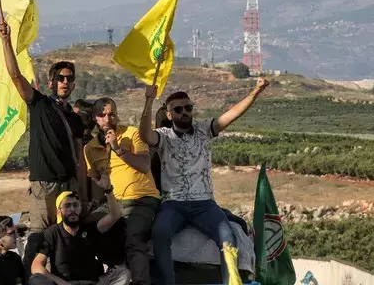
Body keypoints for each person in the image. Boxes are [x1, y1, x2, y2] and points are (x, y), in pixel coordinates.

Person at [139, 78, 270, 285]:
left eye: (188, 108)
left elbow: (232, 115)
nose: (185, 112)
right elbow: (145, 135)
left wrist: (256, 91)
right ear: (169, 114)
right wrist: (148, 101)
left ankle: (232, 282)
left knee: (228, 237)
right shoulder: (164, 136)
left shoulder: (204, 130)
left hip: (204, 204)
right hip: (174, 204)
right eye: (179, 109)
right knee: (160, 234)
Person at [0, 21, 86, 272]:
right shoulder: (39, 104)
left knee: (66, 240)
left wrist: (81, 191)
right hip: (44, 185)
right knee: (38, 238)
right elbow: (15, 76)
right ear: (51, 83)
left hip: (68, 185)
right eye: (60, 78)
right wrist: (6, 41)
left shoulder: (75, 119)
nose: (65, 82)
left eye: (70, 78)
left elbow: (80, 158)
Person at [84, 97, 160, 285]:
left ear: (117, 116)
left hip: (141, 199)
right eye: (102, 115)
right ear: (95, 118)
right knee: (87, 229)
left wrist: (118, 149)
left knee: (133, 238)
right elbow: (96, 179)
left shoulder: (132, 134)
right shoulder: (90, 148)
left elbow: (144, 166)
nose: (107, 119)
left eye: (112, 114)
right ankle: (116, 268)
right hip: (114, 203)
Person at [29, 176, 132, 285]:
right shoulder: (52, 233)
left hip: (93, 282)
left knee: (123, 273)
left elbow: (115, 216)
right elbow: (36, 266)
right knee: (36, 279)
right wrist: (60, 282)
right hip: (65, 283)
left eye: (75, 205)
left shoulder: (90, 228)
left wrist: (108, 190)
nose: (72, 209)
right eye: (67, 206)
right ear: (59, 212)